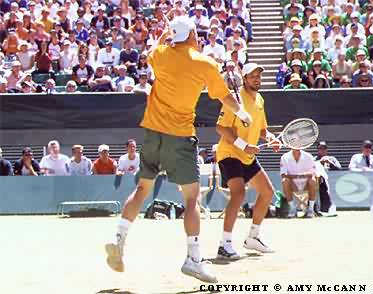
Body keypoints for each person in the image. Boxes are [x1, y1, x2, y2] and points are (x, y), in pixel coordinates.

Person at [105, 15, 252, 283]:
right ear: (194, 36)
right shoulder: (204, 63)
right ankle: (193, 259)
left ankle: (118, 240)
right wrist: (241, 112)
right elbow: (224, 96)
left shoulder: (159, 55)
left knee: (141, 190)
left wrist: (165, 34)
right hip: (180, 137)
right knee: (191, 198)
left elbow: (155, 48)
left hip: (152, 133)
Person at [215, 63, 281, 259]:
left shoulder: (260, 99)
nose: (257, 79)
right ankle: (224, 244)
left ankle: (253, 237)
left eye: (259, 76)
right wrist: (244, 145)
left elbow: (261, 130)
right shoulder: (233, 100)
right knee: (239, 194)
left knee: (268, 193)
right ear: (244, 79)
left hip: (248, 156)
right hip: (229, 153)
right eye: (252, 76)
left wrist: (270, 138)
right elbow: (220, 128)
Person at [280, 148, 317, 218]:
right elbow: (283, 174)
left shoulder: (308, 156)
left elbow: (313, 173)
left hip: (306, 184)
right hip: (292, 185)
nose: (297, 146)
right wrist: (293, 180)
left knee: (313, 180)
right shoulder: (284, 157)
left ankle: (311, 209)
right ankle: (292, 208)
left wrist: (297, 176)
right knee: (285, 181)